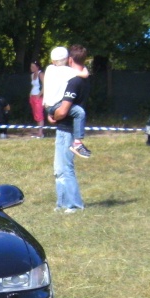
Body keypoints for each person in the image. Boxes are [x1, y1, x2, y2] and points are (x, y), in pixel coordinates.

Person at [49, 45, 90, 213]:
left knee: (65, 168)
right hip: (64, 128)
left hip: (67, 129)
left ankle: (74, 204)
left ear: (70, 60)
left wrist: (54, 115)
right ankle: (62, 203)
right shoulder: (84, 78)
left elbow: (64, 110)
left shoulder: (73, 81)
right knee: (59, 169)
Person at [43, 46, 91, 158]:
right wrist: (84, 68)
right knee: (79, 112)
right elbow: (85, 74)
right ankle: (77, 143)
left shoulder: (49, 69)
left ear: (52, 60)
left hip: (49, 105)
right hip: (56, 105)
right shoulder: (67, 71)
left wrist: (51, 113)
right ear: (68, 59)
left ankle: (77, 143)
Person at [29, 61, 44, 138]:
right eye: (31, 66)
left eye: (33, 66)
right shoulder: (32, 75)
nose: (31, 68)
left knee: (39, 114)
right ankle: (38, 131)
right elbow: (33, 86)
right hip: (32, 96)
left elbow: (45, 85)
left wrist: (39, 95)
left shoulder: (40, 74)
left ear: (37, 67)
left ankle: (41, 133)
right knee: (35, 114)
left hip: (39, 97)